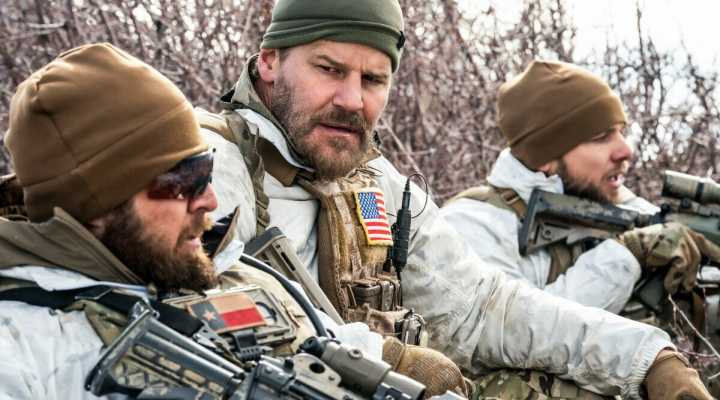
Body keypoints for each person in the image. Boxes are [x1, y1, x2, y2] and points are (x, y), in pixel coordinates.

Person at [200, 1, 712, 399]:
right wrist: (389, 360)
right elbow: (217, 309)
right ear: (270, 60)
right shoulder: (210, 164)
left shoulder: (375, 183)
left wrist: (645, 358)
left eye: (373, 79)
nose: (353, 100)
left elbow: (481, 308)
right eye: (329, 69)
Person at [0, 43, 466, 400]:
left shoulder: (227, 269)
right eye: (181, 181)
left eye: (204, 170)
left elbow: (326, 340)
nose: (208, 199)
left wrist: (394, 361)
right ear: (99, 202)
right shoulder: (23, 346)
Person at [440, 60, 718, 315]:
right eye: (600, 137)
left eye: (621, 132)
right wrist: (628, 255)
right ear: (546, 156)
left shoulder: (624, 212)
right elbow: (511, 329)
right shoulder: (472, 226)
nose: (625, 150)